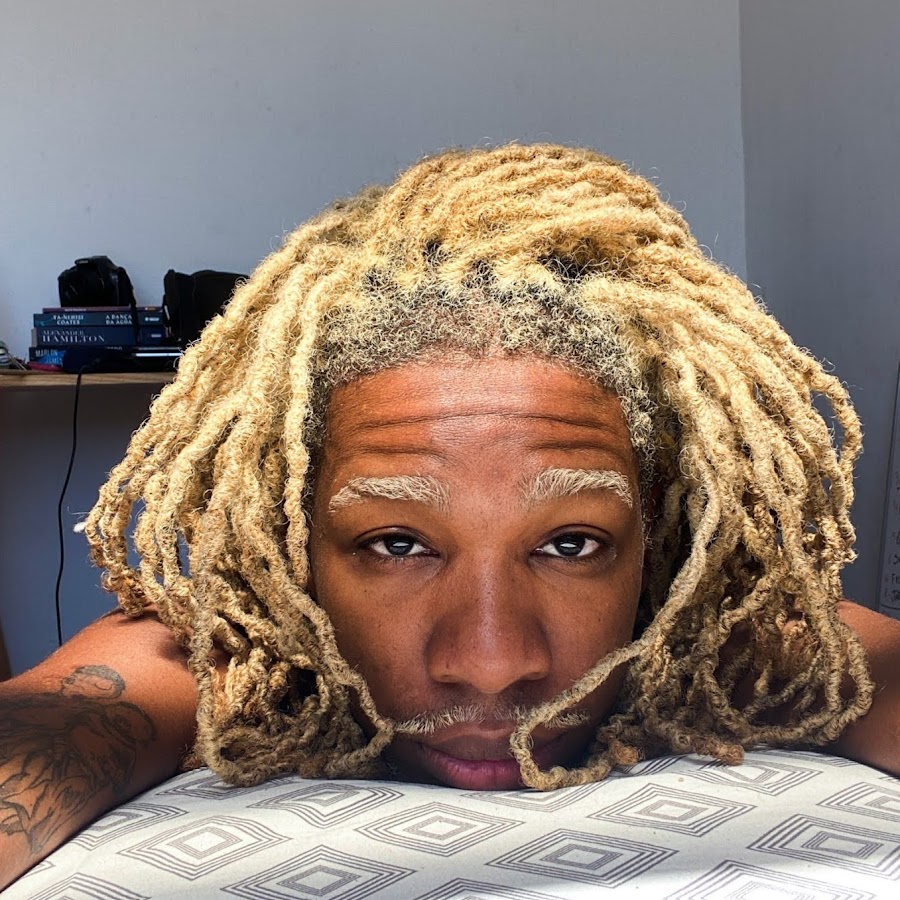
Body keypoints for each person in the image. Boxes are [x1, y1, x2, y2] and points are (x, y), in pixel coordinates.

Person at [2, 144, 898, 889]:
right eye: (397, 544)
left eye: (571, 543)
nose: (492, 662)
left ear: (654, 542)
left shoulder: (715, 638)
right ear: (295, 547)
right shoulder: (249, 655)